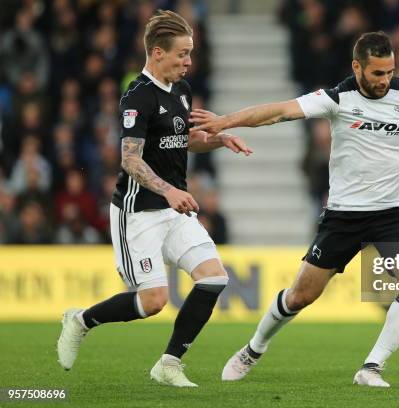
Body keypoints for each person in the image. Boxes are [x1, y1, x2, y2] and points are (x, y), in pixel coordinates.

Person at [190, 31, 399, 387]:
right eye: (377, 73)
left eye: (390, 72)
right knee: (302, 295)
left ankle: (371, 367)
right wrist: (225, 122)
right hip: (345, 214)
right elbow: (279, 112)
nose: (385, 80)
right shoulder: (337, 98)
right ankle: (253, 348)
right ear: (357, 67)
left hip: (395, 212)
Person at [56, 10, 252, 387]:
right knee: (153, 302)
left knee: (213, 278)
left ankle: (169, 363)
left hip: (173, 209)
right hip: (138, 212)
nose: (189, 62)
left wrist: (219, 139)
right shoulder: (138, 97)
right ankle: (80, 320)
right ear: (157, 53)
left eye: (191, 53)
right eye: (182, 54)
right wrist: (170, 189)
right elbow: (130, 158)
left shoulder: (181, 90)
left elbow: (182, 139)